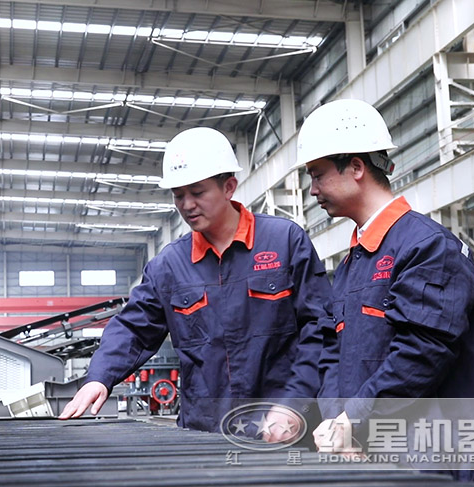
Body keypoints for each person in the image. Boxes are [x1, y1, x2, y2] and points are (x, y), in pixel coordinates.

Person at [58, 127, 332, 433]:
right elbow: (133, 329)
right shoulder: (170, 266)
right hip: (204, 434)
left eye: (198, 192)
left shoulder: (284, 242)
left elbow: (320, 329)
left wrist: (295, 402)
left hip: (281, 426)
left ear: (229, 187)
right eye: (178, 195)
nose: (187, 205)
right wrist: (99, 376)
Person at [295, 99, 474, 480]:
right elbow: (331, 353)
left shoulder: (427, 247)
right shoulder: (354, 261)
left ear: (355, 167)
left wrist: (355, 420)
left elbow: (421, 355)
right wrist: (338, 422)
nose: (312, 190)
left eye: (317, 175)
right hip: (364, 456)